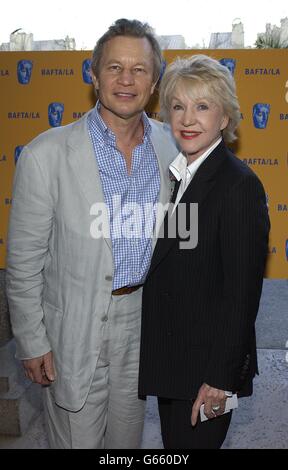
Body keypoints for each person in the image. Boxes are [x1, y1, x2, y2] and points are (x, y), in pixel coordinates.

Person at [6, 18, 178, 449]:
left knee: (127, 443)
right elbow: (24, 261)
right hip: (73, 329)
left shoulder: (172, 146)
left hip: (143, 325)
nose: (126, 79)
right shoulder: (46, 154)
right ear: (93, 74)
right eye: (114, 67)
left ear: (154, 82)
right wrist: (31, 341)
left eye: (139, 69)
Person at [138, 54, 270, 449]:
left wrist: (220, 381)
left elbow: (241, 298)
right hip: (176, 364)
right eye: (178, 106)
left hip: (206, 375)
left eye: (202, 106)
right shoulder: (183, 176)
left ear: (225, 118)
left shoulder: (238, 186)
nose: (187, 118)